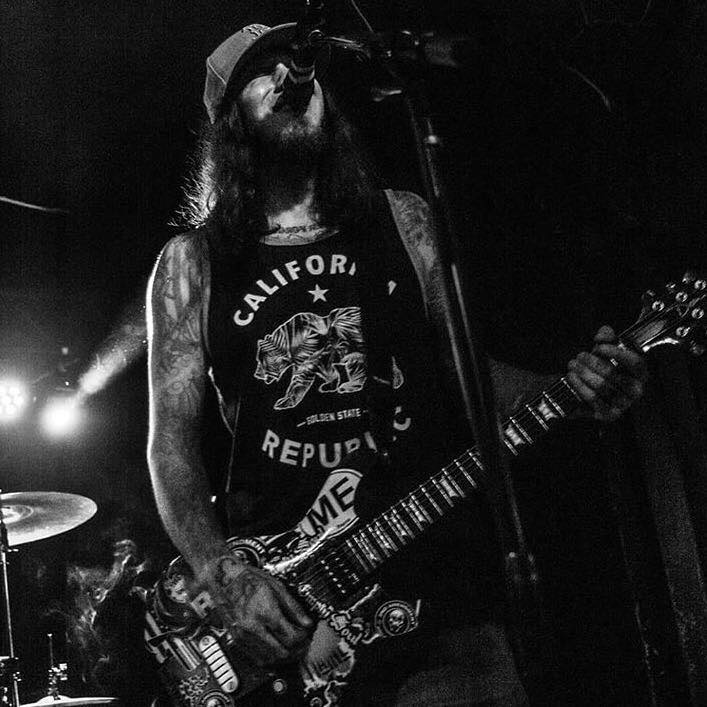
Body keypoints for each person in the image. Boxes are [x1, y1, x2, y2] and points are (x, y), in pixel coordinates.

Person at [146, 22, 647, 706]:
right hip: (294, 609)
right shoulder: (193, 262)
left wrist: (574, 390)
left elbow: (470, 382)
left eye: (301, 65)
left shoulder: (403, 221)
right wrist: (223, 574)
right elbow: (170, 444)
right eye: (263, 70)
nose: (293, 77)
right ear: (229, 120)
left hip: (441, 585)